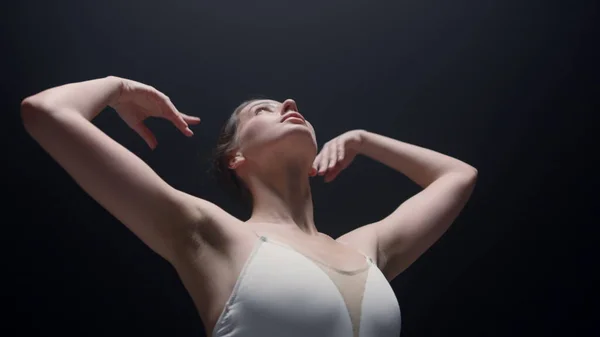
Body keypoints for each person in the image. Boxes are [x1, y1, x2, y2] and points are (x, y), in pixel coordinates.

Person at [21, 76, 478, 337]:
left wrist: (365, 140)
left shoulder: (367, 249)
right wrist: (118, 89)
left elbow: (459, 175)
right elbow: (46, 112)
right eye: (262, 111)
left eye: (287, 104)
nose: (290, 105)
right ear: (235, 158)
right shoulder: (212, 235)